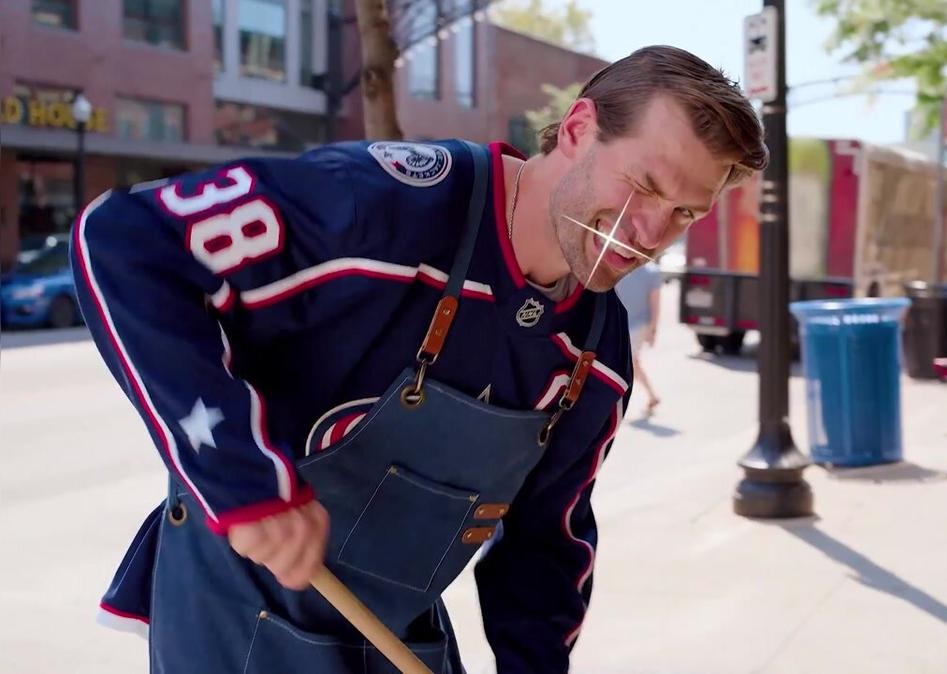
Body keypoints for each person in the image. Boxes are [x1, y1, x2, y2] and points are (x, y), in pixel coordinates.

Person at [72, 45, 766, 673]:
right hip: (235, 617)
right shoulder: (392, 205)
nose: (647, 232)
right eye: (643, 185)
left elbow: (544, 545)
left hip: (394, 633)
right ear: (579, 129)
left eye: (684, 214)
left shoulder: (598, 354)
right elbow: (127, 241)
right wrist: (241, 479)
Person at [615, 260, 663, 416]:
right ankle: (651, 396)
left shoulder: (649, 271)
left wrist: (653, 329)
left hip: (637, 326)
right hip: (627, 325)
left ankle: (648, 396)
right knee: (630, 364)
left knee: (629, 364)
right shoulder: (650, 271)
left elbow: (655, 303)